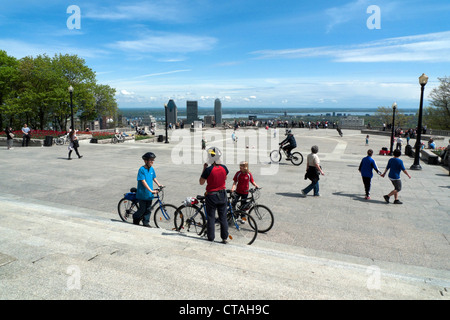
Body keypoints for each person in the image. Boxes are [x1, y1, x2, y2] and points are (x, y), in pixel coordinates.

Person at [199, 147, 229, 243]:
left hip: (212, 196)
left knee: (211, 217)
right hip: (223, 195)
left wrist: (204, 169)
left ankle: (211, 237)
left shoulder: (208, 169)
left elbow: (201, 182)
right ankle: (224, 238)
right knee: (223, 217)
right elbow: (226, 177)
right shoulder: (224, 167)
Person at [133, 152, 163, 227]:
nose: (152, 161)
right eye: (150, 160)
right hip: (142, 194)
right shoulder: (141, 169)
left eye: (153, 160)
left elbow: (154, 177)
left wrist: (159, 184)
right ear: (146, 161)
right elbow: (143, 181)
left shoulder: (152, 169)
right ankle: (135, 217)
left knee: (149, 209)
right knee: (142, 209)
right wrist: (151, 190)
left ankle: (146, 222)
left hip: (149, 194)